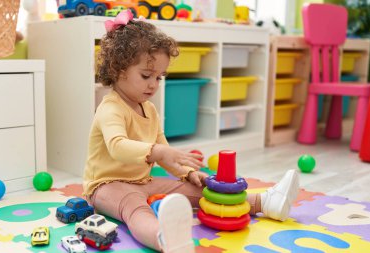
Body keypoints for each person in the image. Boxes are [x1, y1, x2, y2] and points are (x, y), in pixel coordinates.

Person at [83, 10, 299, 253]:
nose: (154, 84)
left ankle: (266, 202)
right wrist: (159, 152)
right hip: (106, 187)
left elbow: (165, 153)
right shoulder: (110, 108)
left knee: (200, 191)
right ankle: (164, 239)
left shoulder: (150, 110)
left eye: (160, 77)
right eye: (146, 75)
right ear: (118, 69)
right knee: (135, 209)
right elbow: (118, 147)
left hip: (143, 181)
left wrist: (185, 172)